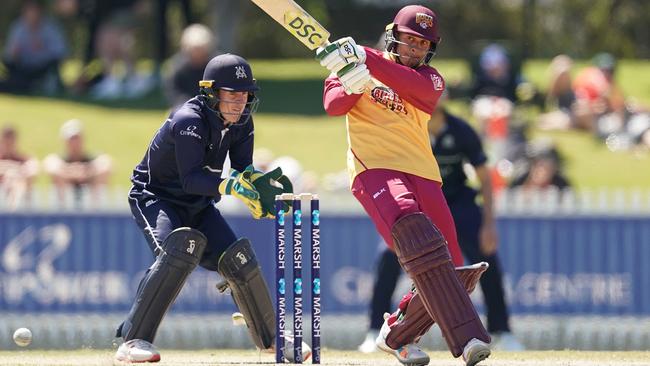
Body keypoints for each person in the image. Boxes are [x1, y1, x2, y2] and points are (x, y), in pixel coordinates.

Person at [317, 5, 491, 366]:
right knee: (412, 225)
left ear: (431, 49)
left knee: (453, 268)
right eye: (409, 40)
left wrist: (364, 59)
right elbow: (333, 105)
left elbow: (419, 92)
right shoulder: (355, 65)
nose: (414, 49)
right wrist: (353, 80)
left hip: (422, 172)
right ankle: (468, 338)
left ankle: (398, 334)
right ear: (394, 35)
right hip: (374, 168)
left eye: (422, 44)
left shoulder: (430, 78)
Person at [114, 53, 305, 363]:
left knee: (238, 258)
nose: (238, 102)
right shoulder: (188, 120)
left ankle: (272, 341)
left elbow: (243, 167)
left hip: (200, 204)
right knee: (177, 252)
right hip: (156, 197)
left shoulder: (243, 121)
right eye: (231, 93)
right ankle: (133, 340)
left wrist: (257, 187)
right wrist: (231, 186)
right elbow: (191, 180)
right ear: (211, 93)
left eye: (244, 94)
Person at [358, 99, 525, 353]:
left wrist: (489, 224)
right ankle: (373, 331)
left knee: (486, 256)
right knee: (387, 256)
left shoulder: (460, 130)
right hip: (417, 202)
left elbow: (484, 177)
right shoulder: (408, 126)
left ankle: (502, 330)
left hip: (458, 202)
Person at [0, 0, 67, 95]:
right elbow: (9, 54)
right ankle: (23, 84)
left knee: (52, 66)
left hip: (42, 67)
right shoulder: (18, 27)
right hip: (23, 67)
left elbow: (60, 53)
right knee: (9, 64)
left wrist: (43, 49)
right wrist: (14, 54)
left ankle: (35, 84)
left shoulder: (51, 28)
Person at [42, 119, 113, 207]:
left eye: (77, 138)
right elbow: (50, 167)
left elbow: (107, 165)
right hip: (65, 203)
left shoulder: (94, 158)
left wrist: (84, 172)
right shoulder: (57, 158)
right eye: (71, 139)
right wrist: (76, 172)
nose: (75, 142)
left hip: (90, 202)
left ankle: (95, 209)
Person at [164, 24, 215, 109]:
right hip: (184, 107)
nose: (197, 53)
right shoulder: (178, 67)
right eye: (195, 49)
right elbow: (173, 91)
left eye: (201, 49)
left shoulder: (215, 66)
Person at [0, 125, 39, 210]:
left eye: (11, 140)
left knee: (16, 180)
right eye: (6, 140)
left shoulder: (24, 158)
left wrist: (14, 172)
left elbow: (33, 171)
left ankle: (13, 211)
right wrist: (12, 168)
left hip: (20, 190)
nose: (9, 143)